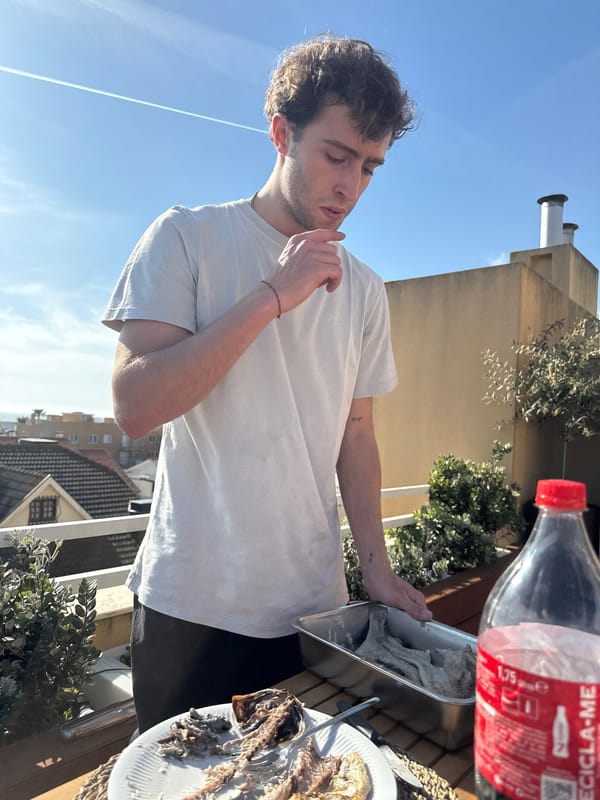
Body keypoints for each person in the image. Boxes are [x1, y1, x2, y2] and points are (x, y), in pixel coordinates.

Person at [103, 34, 432, 734]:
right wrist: (270, 296)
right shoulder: (187, 237)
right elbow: (134, 407)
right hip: (190, 607)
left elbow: (357, 433)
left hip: (313, 615)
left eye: (370, 167)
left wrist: (374, 566)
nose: (351, 186)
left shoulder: (366, 290)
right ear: (282, 133)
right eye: (336, 156)